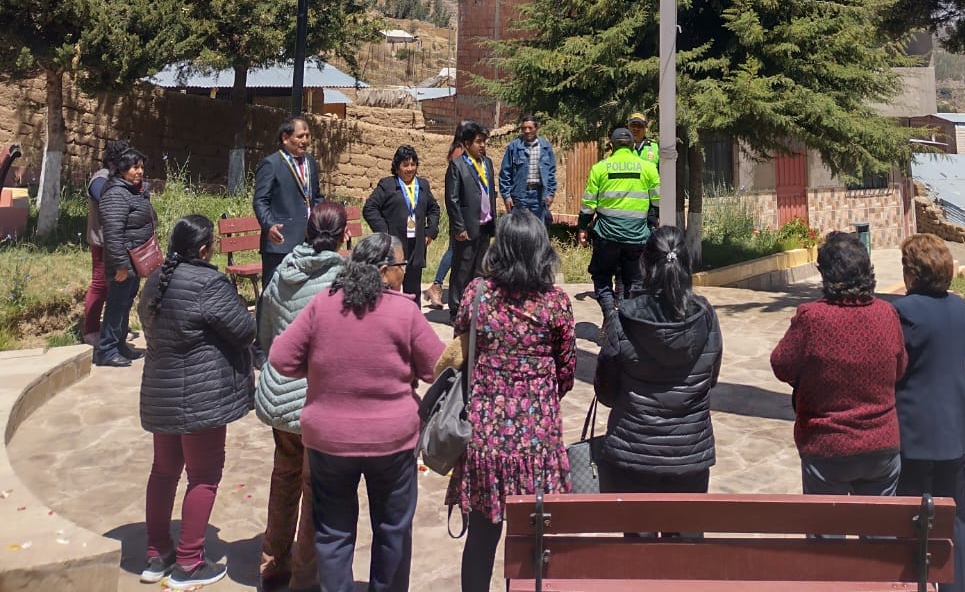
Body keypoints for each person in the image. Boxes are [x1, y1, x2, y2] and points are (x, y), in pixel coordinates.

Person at [269, 232, 442, 592]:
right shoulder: (404, 311)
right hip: (392, 442)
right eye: (400, 266)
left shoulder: (322, 304)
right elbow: (436, 367)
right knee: (392, 530)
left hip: (329, 440)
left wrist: (323, 372)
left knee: (332, 533)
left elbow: (281, 358)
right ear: (383, 270)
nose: (404, 273)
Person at [445, 207, 575, 592]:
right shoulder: (555, 303)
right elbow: (565, 373)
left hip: (485, 441)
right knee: (535, 542)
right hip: (539, 443)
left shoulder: (477, 295)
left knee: (482, 538)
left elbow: (461, 351)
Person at [138, 214, 256, 588]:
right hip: (201, 395)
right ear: (206, 248)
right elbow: (245, 329)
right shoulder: (209, 282)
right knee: (203, 476)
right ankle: (188, 563)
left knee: (163, 471)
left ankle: (157, 555)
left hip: (162, 391)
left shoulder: (156, 280)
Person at [255, 201, 349, 592]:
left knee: (284, 476)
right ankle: (304, 578)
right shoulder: (345, 279)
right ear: (344, 235)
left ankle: (272, 563)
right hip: (318, 401)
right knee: (316, 491)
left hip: (282, 395)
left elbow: (266, 333)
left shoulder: (283, 271)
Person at [770, 231, 908, 495]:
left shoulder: (812, 317)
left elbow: (781, 365)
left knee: (825, 533)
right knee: (880, 532)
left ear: (827, 275)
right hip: (881, 443)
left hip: (825, 445)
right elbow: (900, 368)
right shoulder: (887, 314)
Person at [890, 234, 965, 592]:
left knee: (906, 518)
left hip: (911, 428)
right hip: (955, 428)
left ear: (911, 273)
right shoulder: (963, 310)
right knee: (953, 519)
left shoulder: (901, 313)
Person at [594, 225, 722, 495]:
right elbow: (710, 379)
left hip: (632, 455)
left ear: (645, 265)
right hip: (690, 457)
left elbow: (605, 390)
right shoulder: (706, 316)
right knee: (687, 538)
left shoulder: (623, 320)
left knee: (640, 539)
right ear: (686, 265)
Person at [577, 126, 660, 317]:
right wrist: (653, 223)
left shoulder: (599, 168)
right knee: (634, 281)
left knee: (602, 275)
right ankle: (626, 319)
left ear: (611, 146)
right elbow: (657, 201)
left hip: (607, 237)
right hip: (637, 237)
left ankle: (609, 314)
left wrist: (583, 227)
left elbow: (589, 203)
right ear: (632, 145)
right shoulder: (647, 168)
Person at [96, 145, 156, 368]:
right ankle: (106, 350)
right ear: (121, 169)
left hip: (135, 261)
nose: (139, 171)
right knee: (115, 305)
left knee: (124, 304)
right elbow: (112, 234)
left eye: (141, 167)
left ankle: (119, 345)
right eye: (134, 167)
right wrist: (121, 265)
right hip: (123, 262)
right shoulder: (116, 194)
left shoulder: (134, 191)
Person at [253, 118, 323, 295]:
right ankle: (263, 323)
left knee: (301, 294)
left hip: (308, 241)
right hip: (280, 242)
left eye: (307, 136)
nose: (305, 141)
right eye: (300, 136)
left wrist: (321, 220)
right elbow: (260, 200)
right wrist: (269, 225)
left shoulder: (310, 163)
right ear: (285, 138)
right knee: (273, 293)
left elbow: (316, 197)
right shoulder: (272, 164)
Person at [363, 146, 440, 303]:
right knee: (391, 289)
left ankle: (412, 321)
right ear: (397, 167)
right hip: (394, 248)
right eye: (405, 165)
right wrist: (384, 233)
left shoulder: (423, 186)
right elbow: (370, 208)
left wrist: (430, 231)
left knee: (413, 292)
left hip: (416, 246)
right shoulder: (388, 185)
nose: (410, 169)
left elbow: (434, 209)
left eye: (413, 164)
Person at [444, 122, 498, 315]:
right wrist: (459, 227)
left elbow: (490, 193)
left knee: (480, 269)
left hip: (485, 225)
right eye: (478, 142)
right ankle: (456, 309)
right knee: (462, 269)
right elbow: (452, 199)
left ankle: (474, 306)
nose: (482, 145)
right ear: (467, 143)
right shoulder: (457, 166)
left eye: (484, 141)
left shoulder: (488, 163)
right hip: (466, 227)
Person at [83, 138, 132, 346]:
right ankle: (90, 330)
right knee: (100, 285)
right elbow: (106, 200)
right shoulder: (100, 179)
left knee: (119, 287)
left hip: (118, 241)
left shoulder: (118, 179)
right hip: (102, 241)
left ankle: (114, 328)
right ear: (114, 162)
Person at [425, 123, 469, 310]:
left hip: (467, 210)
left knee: (461, 252)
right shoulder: (459, 152)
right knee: (454, 249)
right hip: (460, 211)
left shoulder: (462, 150)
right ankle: (436, 285)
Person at [498, 114, 557, 227]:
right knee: (518, 231)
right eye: (524, 128)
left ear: (537, 128)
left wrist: (550, 194)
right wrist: (506, 196)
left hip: (539, 196)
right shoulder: (514, 147)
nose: (527, 131)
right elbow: (505, 173)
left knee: (537, 231)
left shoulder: (545, 147)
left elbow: (551, 173)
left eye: (530, 128)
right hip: (519, 196)